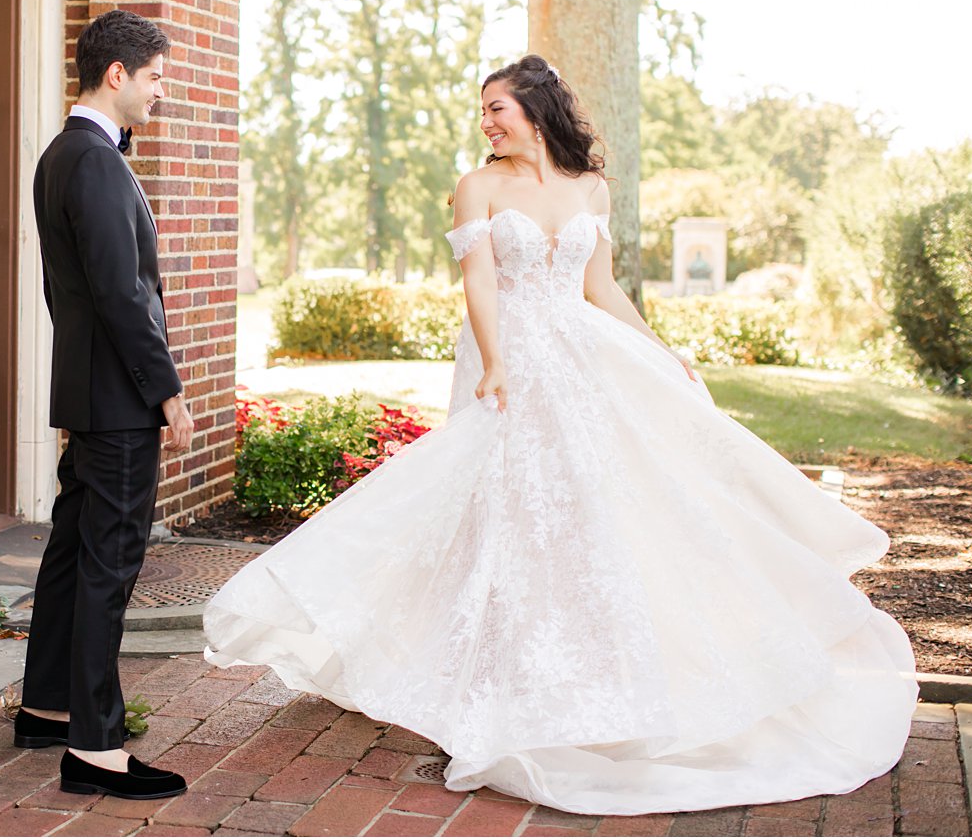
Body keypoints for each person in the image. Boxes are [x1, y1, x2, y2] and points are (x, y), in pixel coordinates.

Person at [202, 55, 918, 816]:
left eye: (497, 108)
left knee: (600, 512)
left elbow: (600, 286)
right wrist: (497, 361)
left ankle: (606, 675)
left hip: (583, 360)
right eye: (482, 111)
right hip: (510, 360)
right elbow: (478, 280)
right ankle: (487, 679)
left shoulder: (589, 188)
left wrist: (660, 350)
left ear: (536, 110)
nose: (486, 122)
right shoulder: (477, 186)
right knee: (507, 512)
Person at [16, 9, 195, 801]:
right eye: (154, 76)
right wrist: (167, 391)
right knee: (106, 567)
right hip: (119, 400)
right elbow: (124, 297)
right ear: (116, 74)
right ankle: (94, 745)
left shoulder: (67, 154)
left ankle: (47, 703)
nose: (161, 90)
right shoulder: (91, 161)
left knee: (69, 554)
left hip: (89, 393)